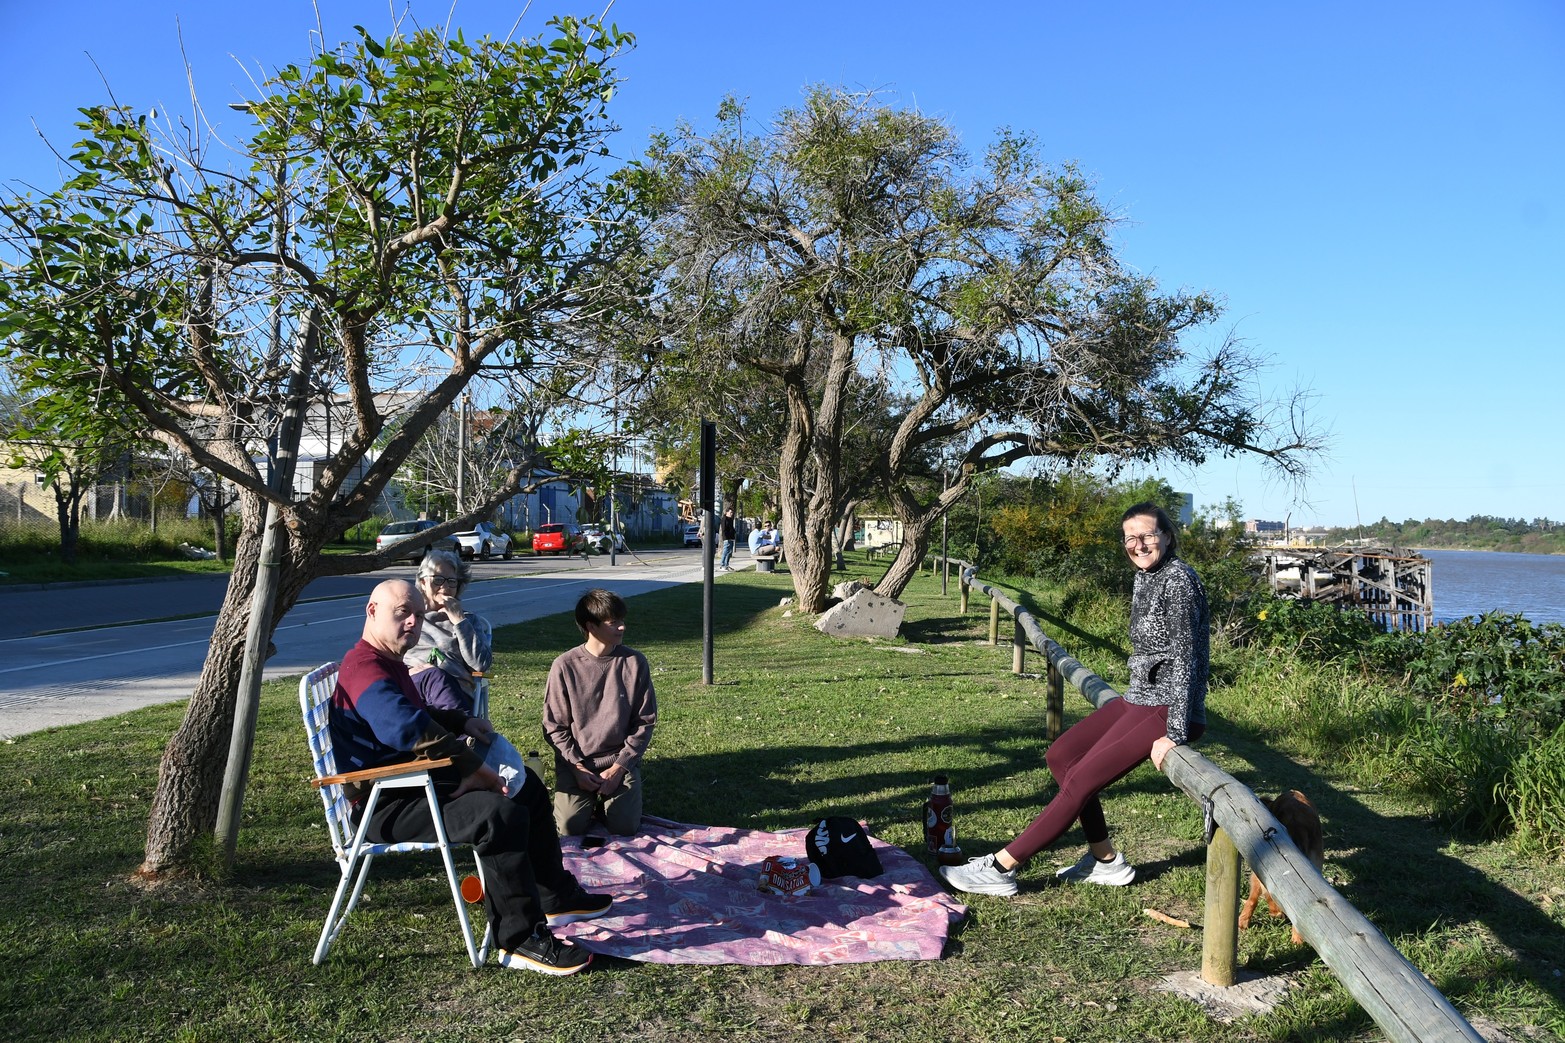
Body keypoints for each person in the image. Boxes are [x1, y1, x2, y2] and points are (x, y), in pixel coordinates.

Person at [331, 579, 611, 974]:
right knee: (498, 814)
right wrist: (473, 769)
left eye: (418, 615)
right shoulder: (364, 668)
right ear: (372, 611)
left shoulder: (385, 661)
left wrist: (461, 721)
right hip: (386, 803)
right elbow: (406, 729)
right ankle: (519, 940)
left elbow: (418, 713)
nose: (413, 622)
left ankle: (554, 896)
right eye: (402, 613)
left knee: (527, 787)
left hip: (416, 784)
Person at [940, 502, 1209, 897]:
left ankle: (1001, 867)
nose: (1139, 545)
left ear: (1167, 537)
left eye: (1148, 535)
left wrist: (1175, 731)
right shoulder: (1146, 576)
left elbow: (1188, 658)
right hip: (1139, 697)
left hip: (1167, 707)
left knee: (1081, 779)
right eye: (1130, 538)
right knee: (1061, 755)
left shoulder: (1179, 581)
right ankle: (1105, 860)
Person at [404, 549, 528, 795]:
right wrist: (408, 672)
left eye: (452, 581)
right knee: (431, 676)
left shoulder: (470, 621)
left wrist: (459, 621)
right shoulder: (411, 619)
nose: (445, 587)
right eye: (438, 579)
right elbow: (391, 654)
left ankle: (465, 746)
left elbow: (480, 665)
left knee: (438, 677)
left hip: (457, 696)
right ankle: (469, 746)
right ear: (422, 582)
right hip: (414, 691)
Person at [543, 588, 658, 837]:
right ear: (591, 626)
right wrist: (576, 767)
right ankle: (588, 803)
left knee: (625, 827)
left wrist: (620, 768)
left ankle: (611, 804)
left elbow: (644, 722)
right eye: (613, 622)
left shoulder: (635, 662)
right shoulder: (564, 665)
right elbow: (554, 726)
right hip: (578, 763)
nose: (622, 627)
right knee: (569, 827)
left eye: (622, 620)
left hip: (618, 761)